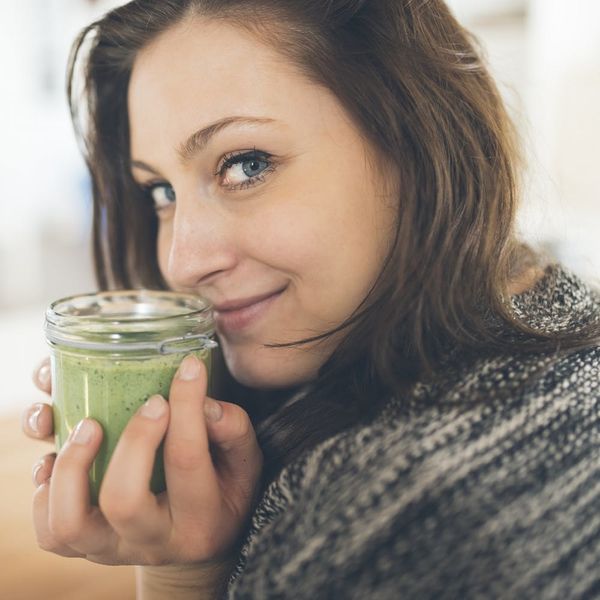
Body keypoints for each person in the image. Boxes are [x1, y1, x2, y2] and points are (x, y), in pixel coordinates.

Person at [22, 0, 600, 598]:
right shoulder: (558, 309)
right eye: (162, 192)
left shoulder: (374, 524)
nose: (182, 264)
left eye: (245, 165)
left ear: (415, 138)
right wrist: (189, 555)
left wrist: (176, 582)